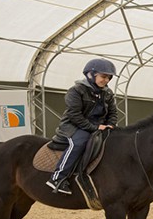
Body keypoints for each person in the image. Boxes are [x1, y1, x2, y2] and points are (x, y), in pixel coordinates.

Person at [46, 58, 118, 195]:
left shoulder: (108, 93)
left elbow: (113, 112)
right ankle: (57, 178)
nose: (106, 80)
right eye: (103, 76)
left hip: (100, 126)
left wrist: (110, 124)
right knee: (79, 143)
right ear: (91, 74)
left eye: (109, 78)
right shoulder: (76, 91)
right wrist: (95, 128)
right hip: (75, 126)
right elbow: (74, 115)